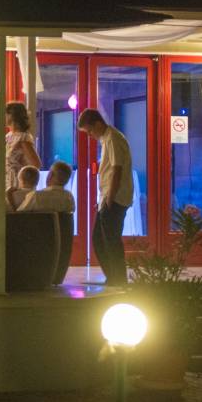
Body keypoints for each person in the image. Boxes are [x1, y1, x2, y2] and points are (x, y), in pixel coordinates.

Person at [79, 109, 133, 287]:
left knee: (110, 239)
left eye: (89, 131)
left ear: (97, 124)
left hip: (115, 197)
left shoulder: (113, 138)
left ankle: (118, 279)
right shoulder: (107, 139)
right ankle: (113, 277)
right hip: (109, 197)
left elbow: (117, 169)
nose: (90, 136)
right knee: (101, 239)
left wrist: (110, 197)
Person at [4, 102, 40, 192]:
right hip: (6, 182)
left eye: (6, 114)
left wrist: (22, 169)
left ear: (12, 116)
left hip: (18, 185)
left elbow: (36, 164)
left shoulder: (22, 138)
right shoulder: (8, 136)